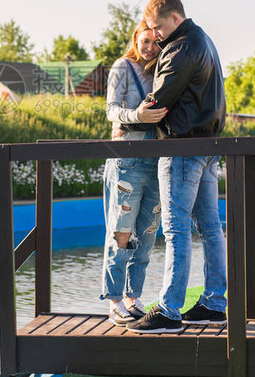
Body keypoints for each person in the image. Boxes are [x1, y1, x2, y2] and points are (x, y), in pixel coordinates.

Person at [126, 0, 227, 334]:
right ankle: (215, 303)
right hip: (208, 145)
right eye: (149, 28)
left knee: (176, 229)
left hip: (183, 146)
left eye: (156, 26)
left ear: (174, 17)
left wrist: (129, 117)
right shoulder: (205, 41)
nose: (153, 34)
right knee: (210, 227)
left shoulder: (182, 46)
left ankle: (169, 309)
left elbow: (157, 102)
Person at [100, 19, 168, 325]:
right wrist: (135, 115)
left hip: (156, 160)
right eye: (145, 42)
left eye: (155, 42)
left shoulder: (162, 71)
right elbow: (111, 109)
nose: (150, 48)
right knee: (121, 231)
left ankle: (133, 296)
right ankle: (114, 300)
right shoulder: (122, 67)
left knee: (148, 233)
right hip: (127, 157)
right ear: (136, 40)